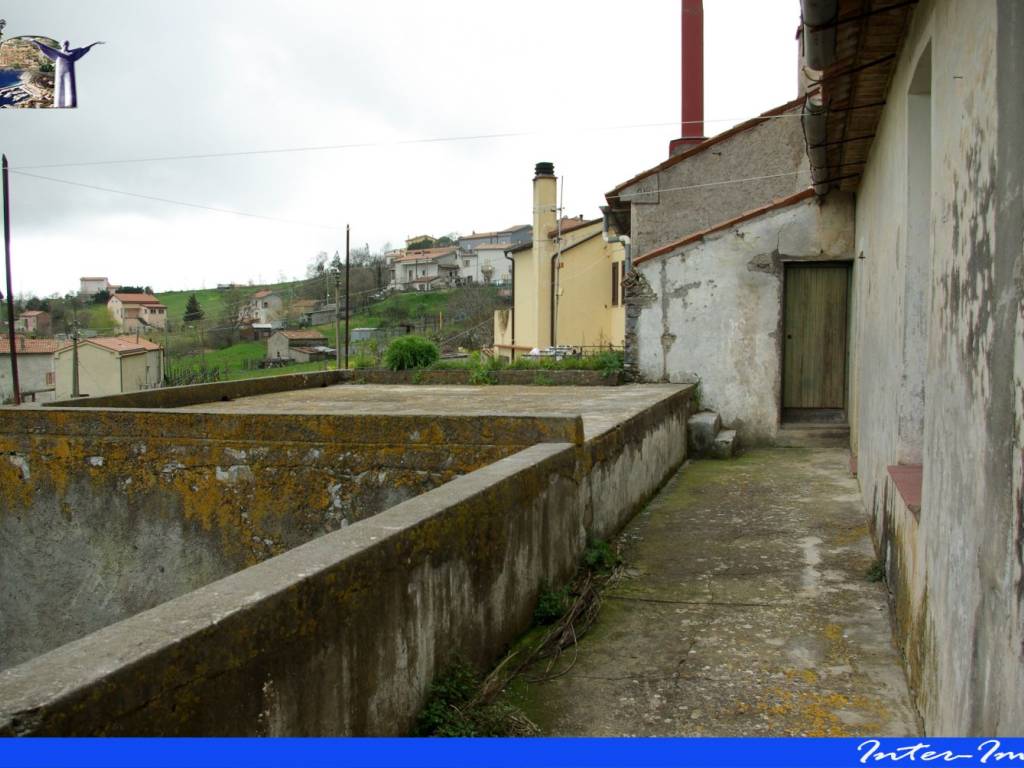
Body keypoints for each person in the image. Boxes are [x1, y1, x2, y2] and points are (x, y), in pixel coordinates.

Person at [30, 39, 104, 108]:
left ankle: (70, 104)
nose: (65, 44)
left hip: (69, 72)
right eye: (64, 43)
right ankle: (59, 105)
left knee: (70, 88)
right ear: (61, 45)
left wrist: (95, 43)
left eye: (67, 43)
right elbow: (45, 47)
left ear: (68, 45)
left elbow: (83, 48)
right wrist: (36, 42)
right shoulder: (56, 52)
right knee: (59, 89)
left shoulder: (73, 52)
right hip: (60, 73)